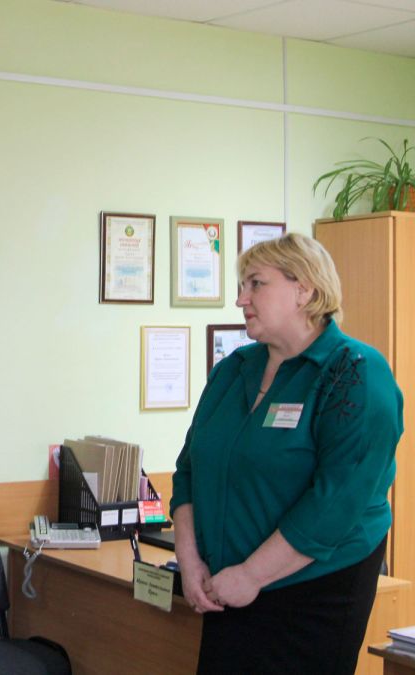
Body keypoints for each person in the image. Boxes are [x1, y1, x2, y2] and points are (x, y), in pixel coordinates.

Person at [171, 233, 402, 674]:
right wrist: (190, 559)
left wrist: (252, 575)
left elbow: (336, 503)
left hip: (313, 593)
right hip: (226, 586)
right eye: (242, 286)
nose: (241, 299)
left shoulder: (355, 372)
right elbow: (188, 472)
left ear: (305, 290)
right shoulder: (233, 369)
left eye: (256, 284)